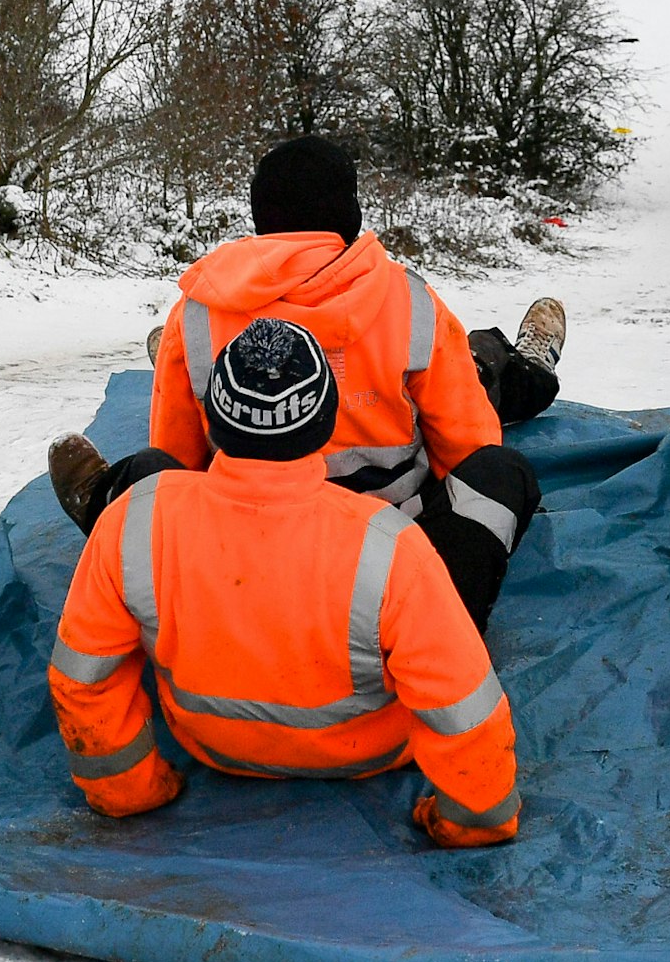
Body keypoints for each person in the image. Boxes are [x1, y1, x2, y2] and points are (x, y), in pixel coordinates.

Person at [46, 137, 559, 630]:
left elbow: (180, 465)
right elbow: (465, 450)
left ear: (260, 216)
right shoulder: (412, 303)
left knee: (151, 474)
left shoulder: (198, 312)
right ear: (349, 213)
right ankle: (522, 372)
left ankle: (105, 502)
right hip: (392, 552)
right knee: (495, 463)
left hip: (244, 558)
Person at [49, 319, 520, 846]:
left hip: (213, 746)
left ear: (213, 420)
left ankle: (98, 488)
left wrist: (129, 790)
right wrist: (470, 822)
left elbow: (84, 681)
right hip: (372, 754)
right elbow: (464, 710)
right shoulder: (391, 548)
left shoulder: (133, 520)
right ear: (323, 423)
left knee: (142, 479)